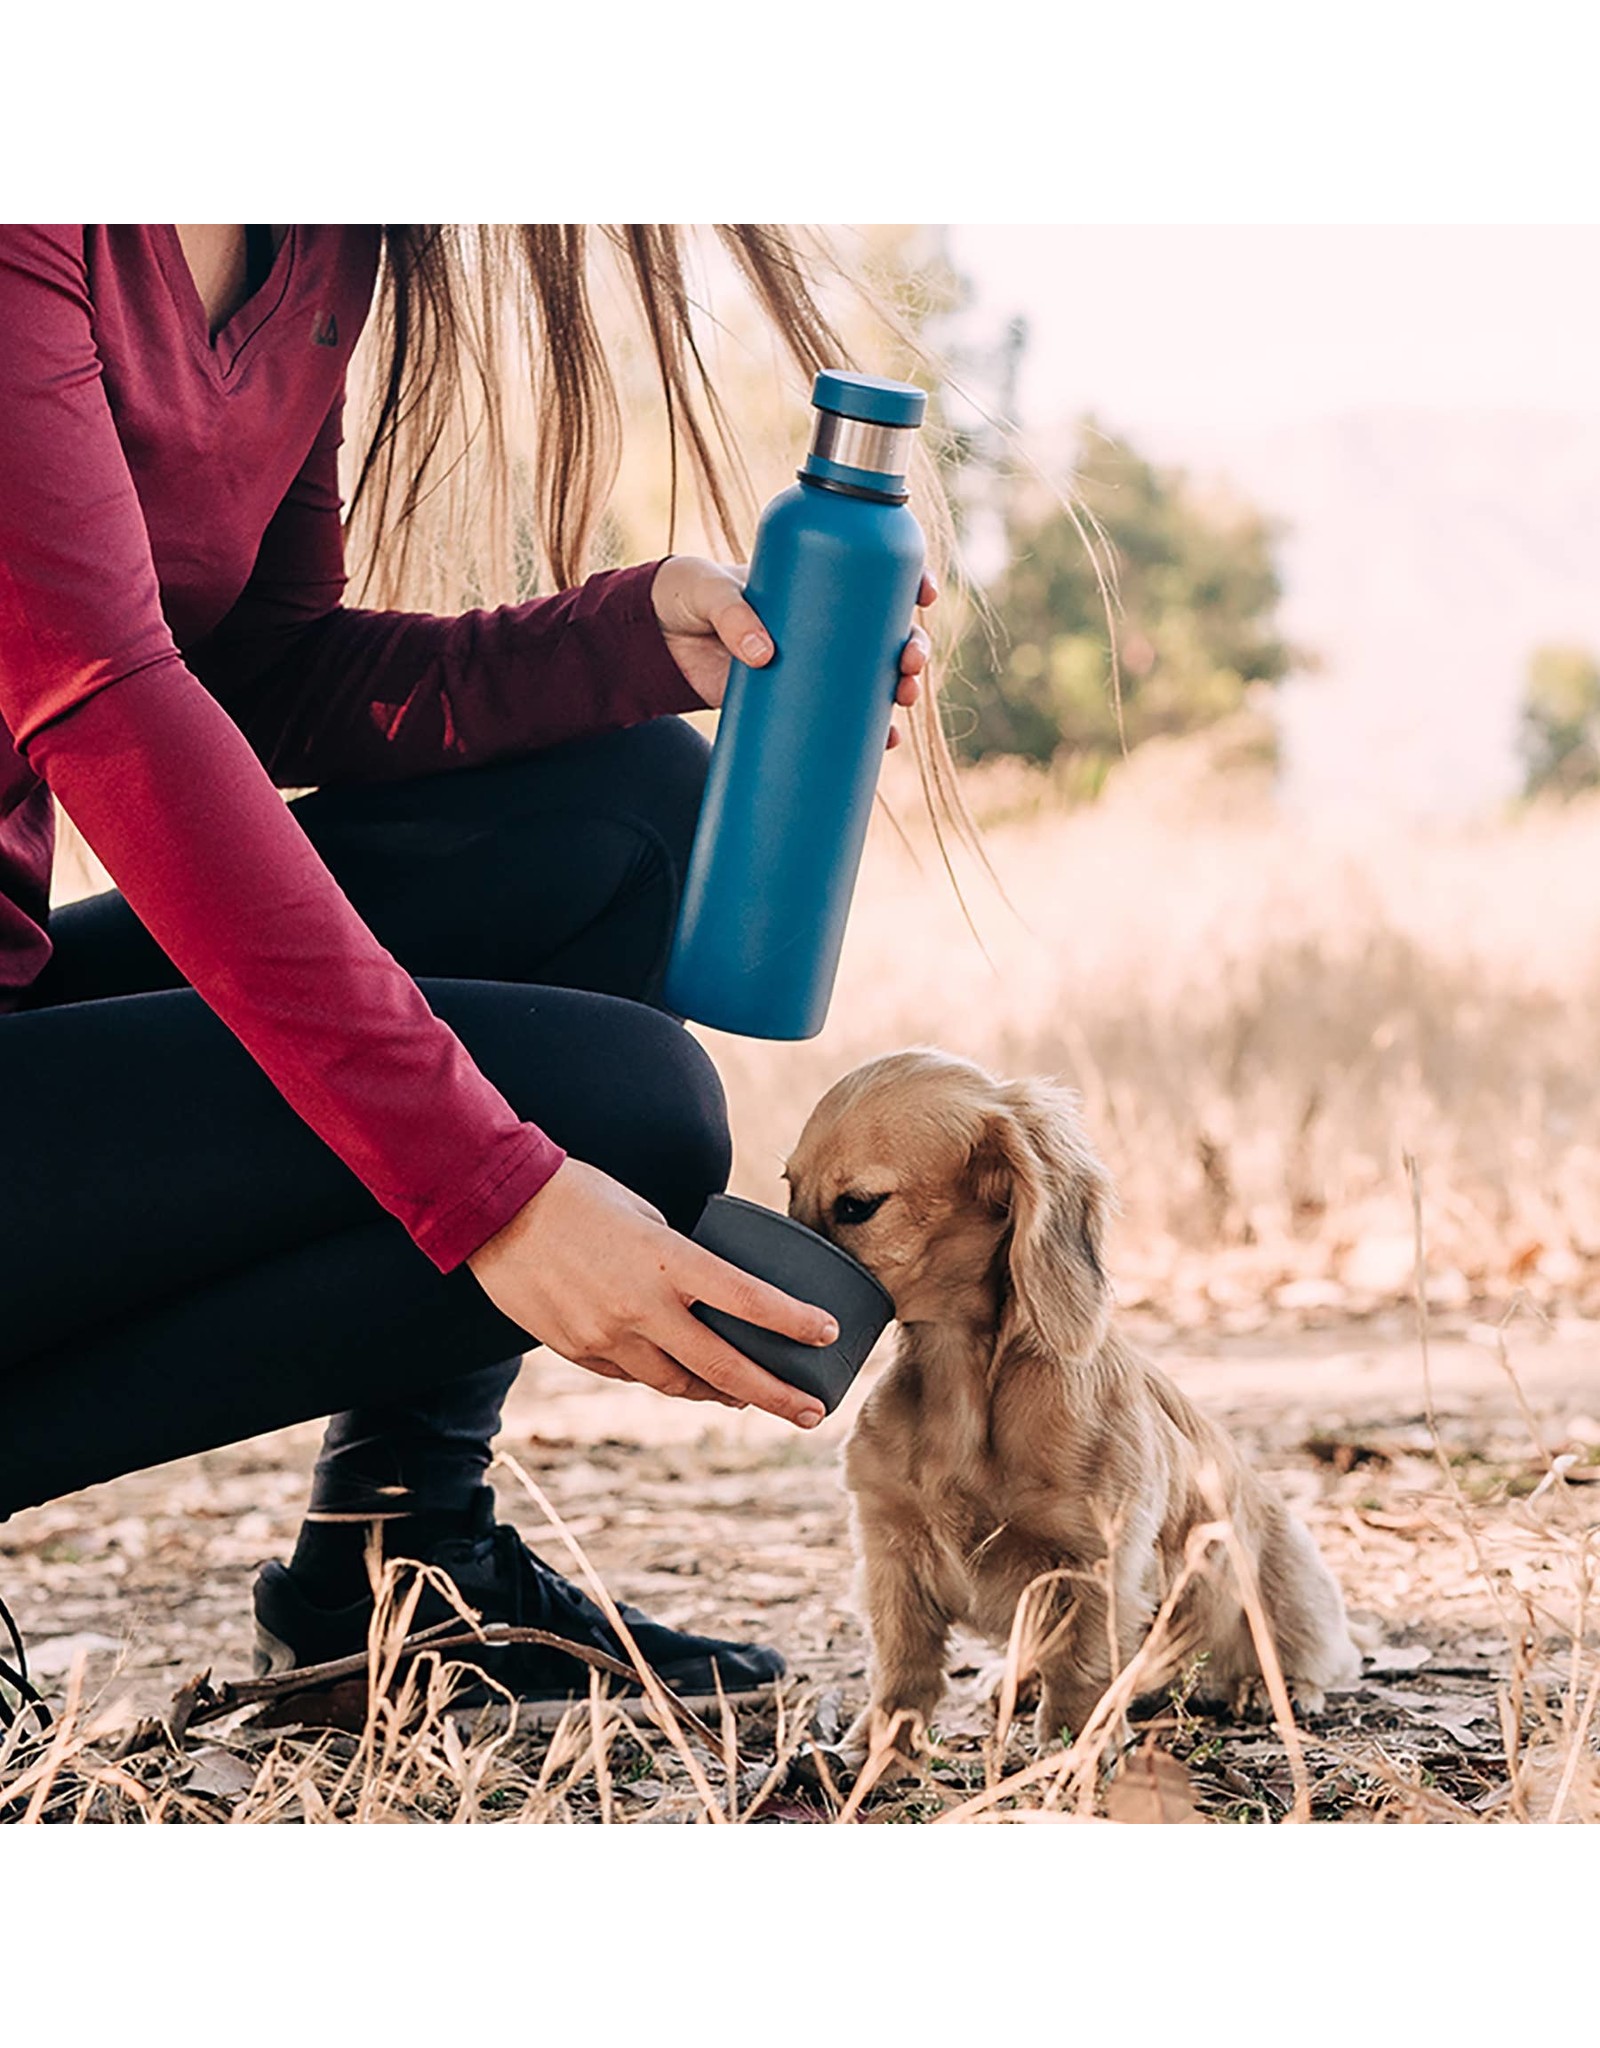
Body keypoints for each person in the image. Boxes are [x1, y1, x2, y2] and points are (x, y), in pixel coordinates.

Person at [0, 223, 944, 1723]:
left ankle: (400, 1572)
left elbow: (264, 670)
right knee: (619, 1111)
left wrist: (630, 643)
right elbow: (112, 701)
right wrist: (486, 1186)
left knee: (638, 814)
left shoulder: (318, 234)